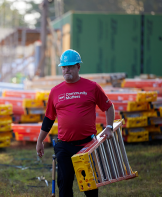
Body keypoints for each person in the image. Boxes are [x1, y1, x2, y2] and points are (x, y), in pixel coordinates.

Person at [36, 49, 115, 197]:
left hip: (87, 145)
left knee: (90, 187)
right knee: (64, 186)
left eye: (70, 66)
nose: (66, 70)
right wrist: (40, 140)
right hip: (64, 146)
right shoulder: (55, 91)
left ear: (78, 67)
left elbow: (108, 106)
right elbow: (49, 119)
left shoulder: (92, 87)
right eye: (64, 67)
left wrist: (109, 127)